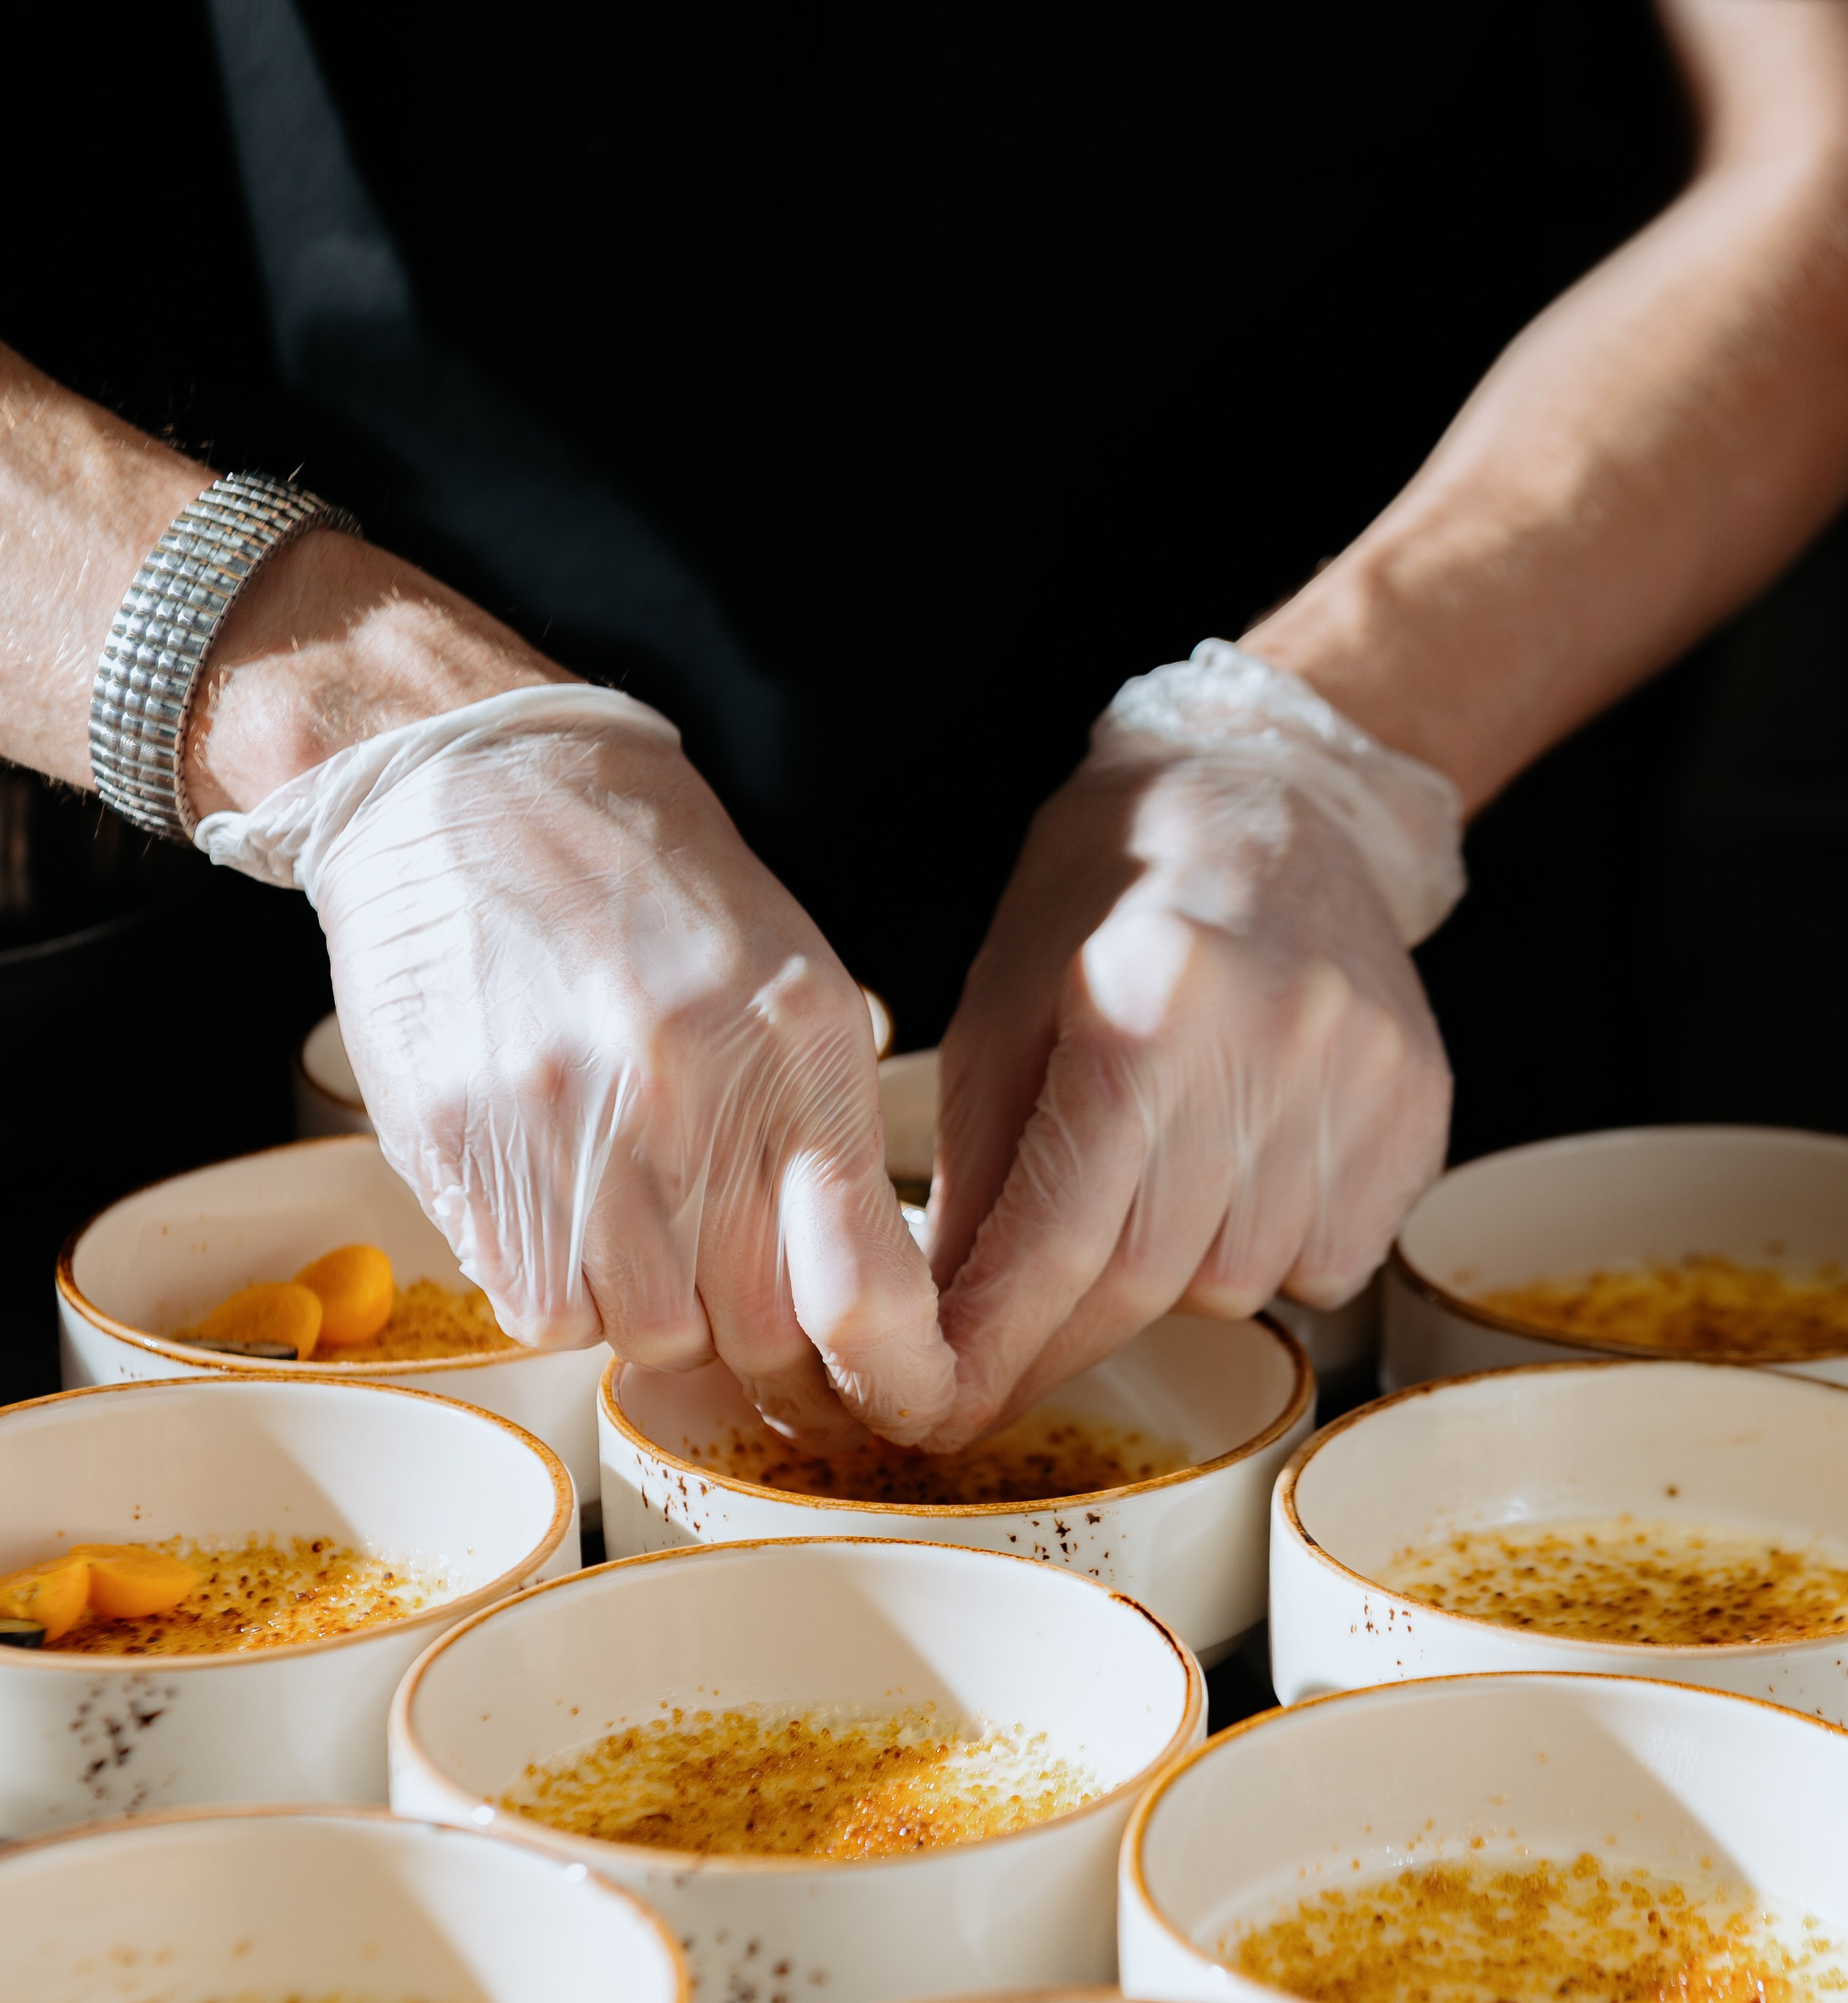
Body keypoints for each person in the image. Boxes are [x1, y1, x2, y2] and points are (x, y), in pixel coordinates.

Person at [4, 0, 1847, 1450]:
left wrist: (1330, 745)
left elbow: (1815, 151)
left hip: (1353, 944)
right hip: (367, 976)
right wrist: (346, 721)